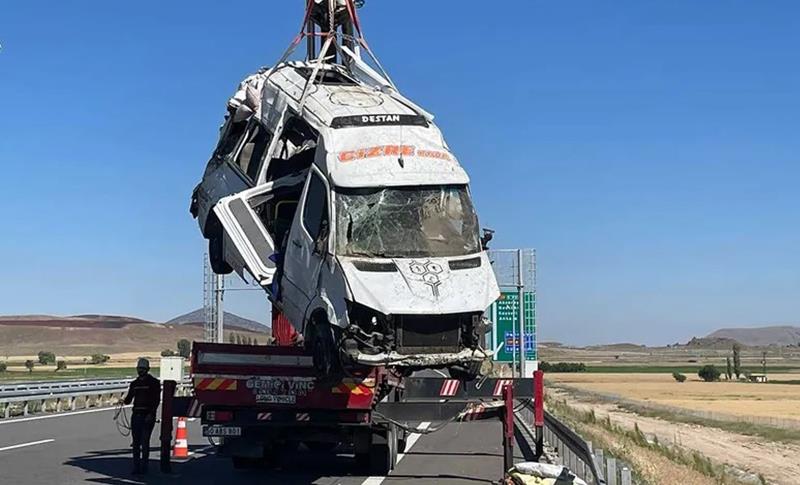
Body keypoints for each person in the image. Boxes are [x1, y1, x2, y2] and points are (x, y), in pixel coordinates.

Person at [123, 358, 161, 474]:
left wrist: (151, 414)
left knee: (144, 442)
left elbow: (156, 400)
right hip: (136, 416)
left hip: (147, 416)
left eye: (143, 369)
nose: (141, 371)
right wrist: (123, 401)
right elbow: (128, 400)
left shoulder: (154, 383)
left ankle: (144, 466)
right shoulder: (134, 384)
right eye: (139, 369)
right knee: (136, 442)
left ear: (148, 369)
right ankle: (136, 467)